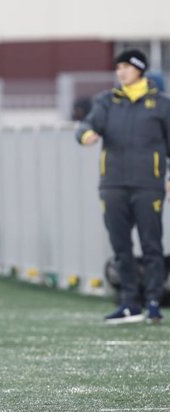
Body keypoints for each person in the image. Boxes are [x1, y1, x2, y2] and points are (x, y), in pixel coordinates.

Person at [76, 49, 170, 325]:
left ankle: (153, 301)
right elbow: (86, 125)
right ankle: (129, 302)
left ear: (139, 69)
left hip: (148, 185)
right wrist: (86, 135)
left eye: (126, 67)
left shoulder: (162, 104)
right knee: (120, 246)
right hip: (114, 184)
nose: (120, 72)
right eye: (118, 67)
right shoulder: (107, 101)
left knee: (151, 244)